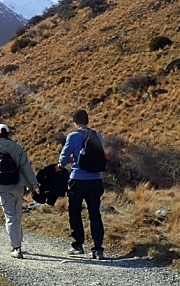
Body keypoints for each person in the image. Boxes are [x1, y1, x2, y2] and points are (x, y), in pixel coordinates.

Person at [0, 123, 40, 259]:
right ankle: (18, 243)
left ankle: (16, 247)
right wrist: (34, 183)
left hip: (2, 187)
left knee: (10, 217)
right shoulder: (17, 148)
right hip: (18, 186)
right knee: (18, 215)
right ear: (9, 133)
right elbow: (26, 167)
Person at [58, 109, 106, 260]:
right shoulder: (98, 136)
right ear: (87, 121)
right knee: (95, 213)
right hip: (96, 180)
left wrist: (65, 163)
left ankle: (78, 244)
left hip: (78, 179)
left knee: (74, 211)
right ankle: (98, 248)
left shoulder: (73, 136)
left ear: (75, 122)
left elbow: (63, 158)